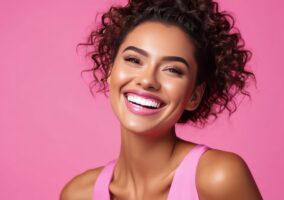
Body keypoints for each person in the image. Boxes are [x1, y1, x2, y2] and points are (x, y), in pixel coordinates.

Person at [61, 0, 263, 199]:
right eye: (133, 60)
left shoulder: (219, 178)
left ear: (194, 95)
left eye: (173, 70)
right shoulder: (79, 194)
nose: (148, 80)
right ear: (111, 72)